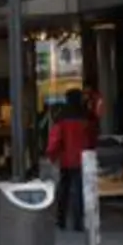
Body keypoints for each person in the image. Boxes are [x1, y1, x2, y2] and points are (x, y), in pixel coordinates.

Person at [46, 88, 97, 232]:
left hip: (66, 158)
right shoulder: (86, 117)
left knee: (64, 190)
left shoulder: (62, 117)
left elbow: (56, 139)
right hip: (84, 159)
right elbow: (92, 138)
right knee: (80, 190)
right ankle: (78, 221)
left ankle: (61, 219)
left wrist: (52, 155)